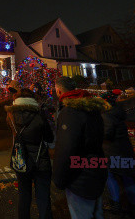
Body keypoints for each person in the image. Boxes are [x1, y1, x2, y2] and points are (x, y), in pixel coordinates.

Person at [52, 77, 108, 219]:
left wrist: (58, 179)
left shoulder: (70, 112)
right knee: (97, 213)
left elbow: (66, 149)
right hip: (97, 170)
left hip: (80, 178)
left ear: (58, 90)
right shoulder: (92, 108)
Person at [6, 88, 54, 219]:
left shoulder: (11, 115)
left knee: (24, 195)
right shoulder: (39, 114)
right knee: (43, 197)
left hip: (21, 158)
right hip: (40, 159)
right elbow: (49, 137)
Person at [101, 91, 135, 218]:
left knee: (110, 176)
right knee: (128, 178)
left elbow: (107, 134)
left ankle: (116, 204)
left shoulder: (106, 115)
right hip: (125, 150)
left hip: (112, 152)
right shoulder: (118, 113)